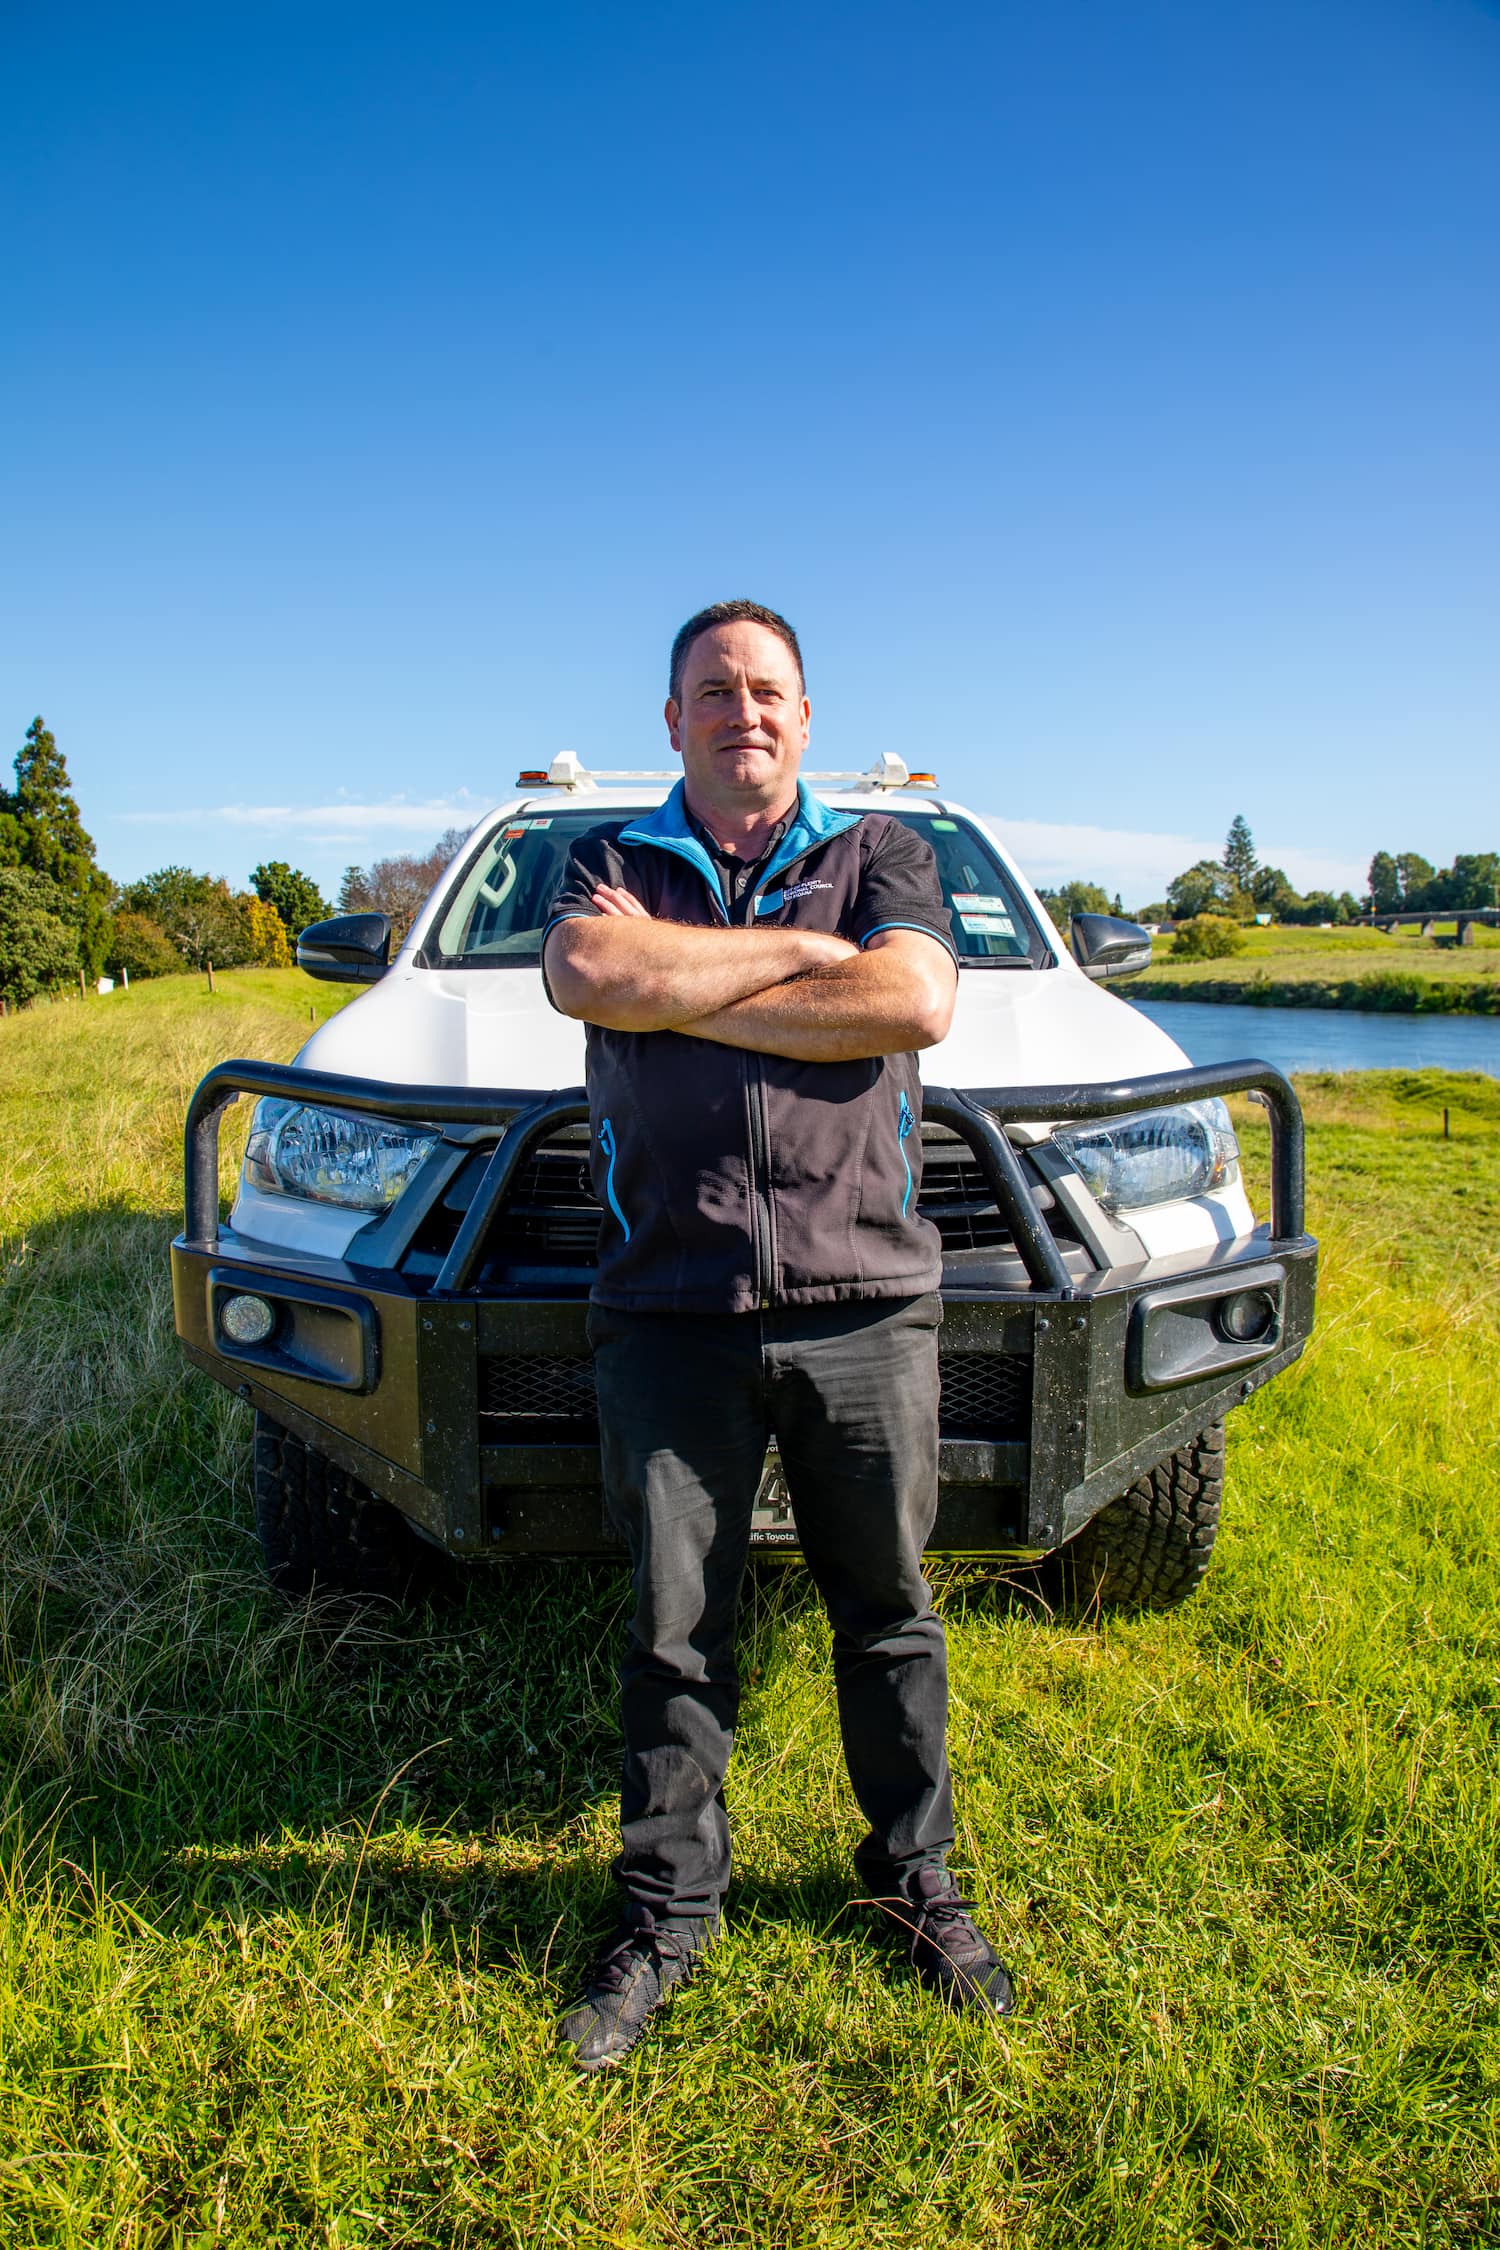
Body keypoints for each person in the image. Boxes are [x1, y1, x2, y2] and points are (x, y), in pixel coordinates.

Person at [542, 599, 1013, 2071]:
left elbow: (917, 996)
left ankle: (912, 1874)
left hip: (865, 1296)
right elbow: (590, 976)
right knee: (675, 1630)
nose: (743, 707)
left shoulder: (887, 853)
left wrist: (689, 983)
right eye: (713, 688)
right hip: (669, 1299)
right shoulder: (601, 862)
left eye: (769, 689)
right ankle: (667, 1906)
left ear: (805, 719)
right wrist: (809, 976)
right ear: (670, 719)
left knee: (887, 1605)